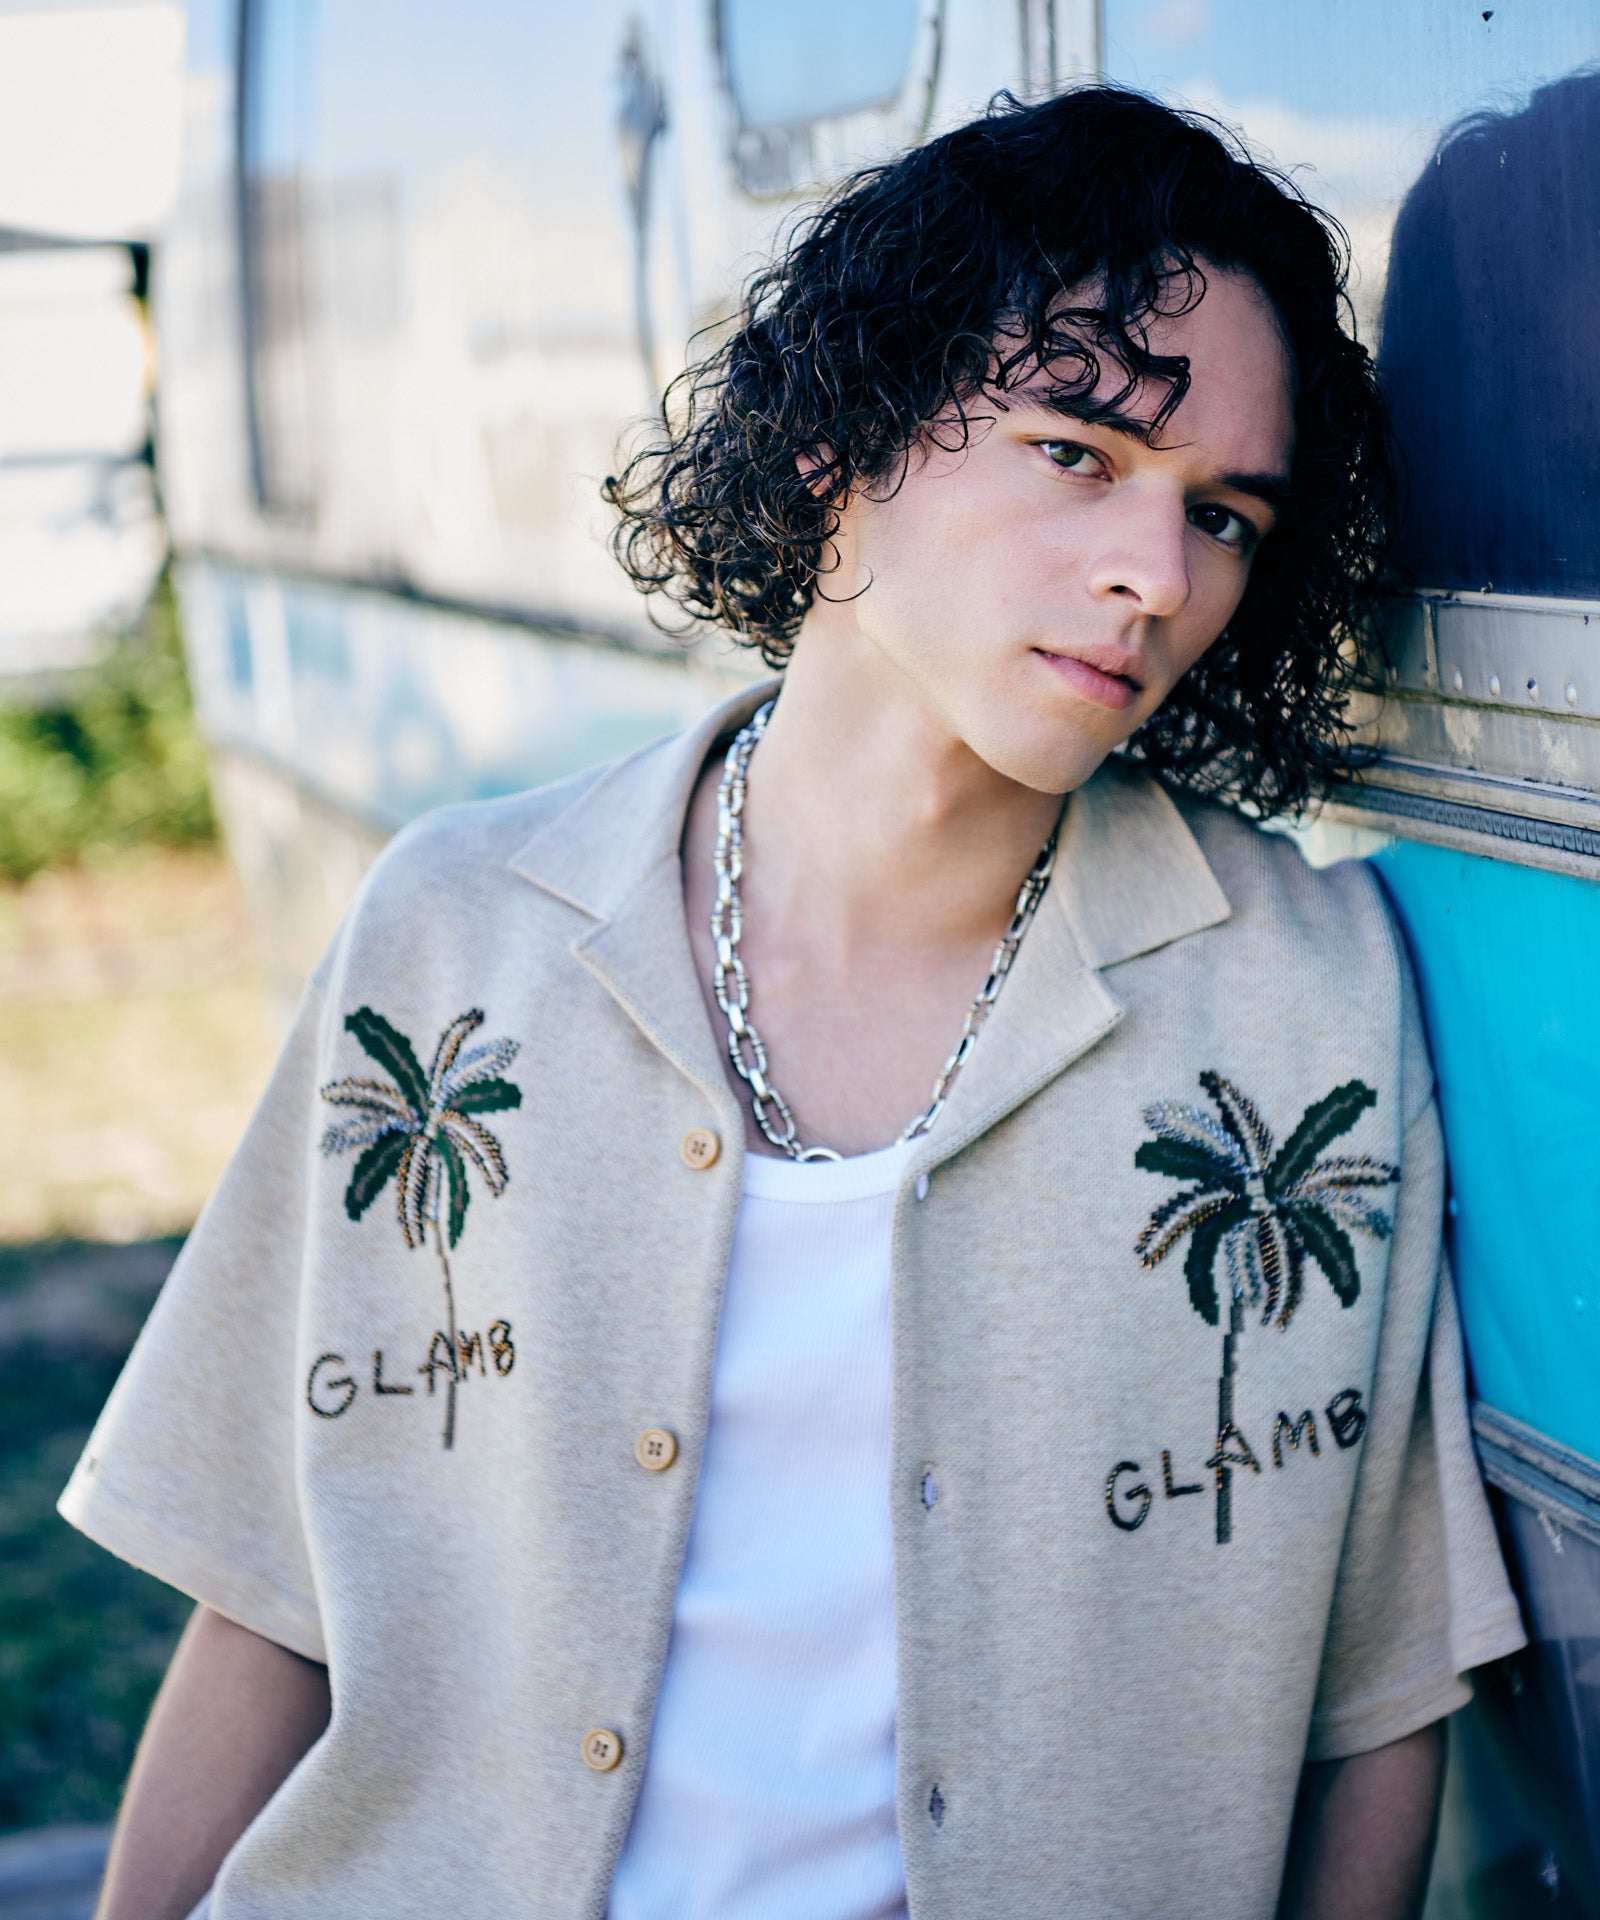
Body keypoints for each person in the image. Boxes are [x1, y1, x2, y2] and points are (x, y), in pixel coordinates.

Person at [66, 85, 1523, 1920]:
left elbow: (1376, 1698)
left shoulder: (1300, 1003)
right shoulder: (458, 931)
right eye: (1076, 450)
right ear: (841, 439)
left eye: (1224, 515)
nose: (1156, 577)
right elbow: (276, 1598)